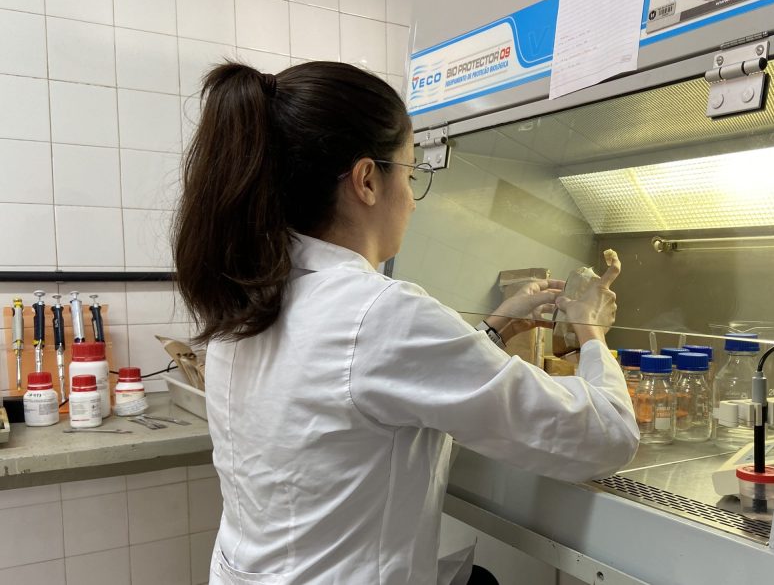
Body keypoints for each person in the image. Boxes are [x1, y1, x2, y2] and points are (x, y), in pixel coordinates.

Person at [173, 61, 639, 585]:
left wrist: (493, 331)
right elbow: (606, 437)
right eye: (412, 174)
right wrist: (591, 331)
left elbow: (370, 389)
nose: (414, 201)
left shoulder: (246, 301)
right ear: (367, 180)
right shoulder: (378, 313)